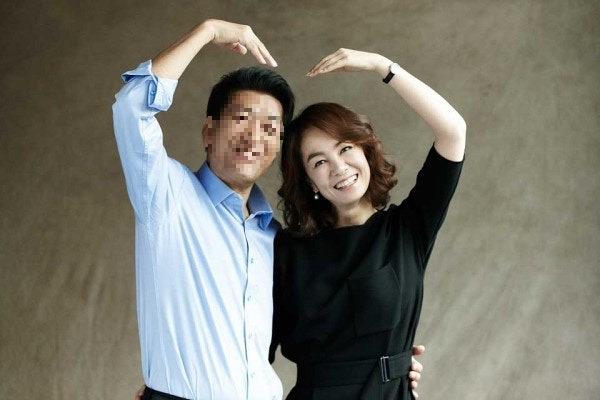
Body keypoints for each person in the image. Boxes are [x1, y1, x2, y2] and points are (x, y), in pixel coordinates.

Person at [113, 19, 424, 400]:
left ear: (278, 147)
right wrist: (207, 32)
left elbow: (316, 329)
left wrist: (389, 364)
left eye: (270, 128)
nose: (253, 137)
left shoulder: (274, 238)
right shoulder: (167, 195)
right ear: (208, 131)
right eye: (242, 119)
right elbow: (132, 108)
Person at [269, 49, 466, 399]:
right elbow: (251, 348)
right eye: (319, 162)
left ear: (365, 150)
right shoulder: (285, 250)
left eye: (345, 148)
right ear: (310, 181)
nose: (339, 167)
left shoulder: (407, 229)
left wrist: (381, 66)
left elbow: (453, 131)